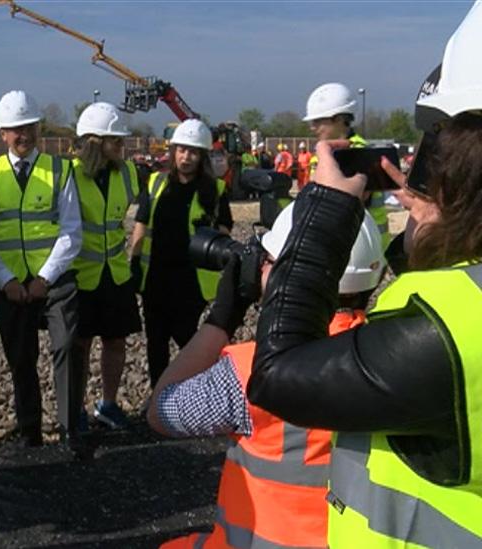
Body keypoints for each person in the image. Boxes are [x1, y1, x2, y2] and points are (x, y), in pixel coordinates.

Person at [249, 4, 482, 544]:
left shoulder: (450, 333)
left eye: (442, 141)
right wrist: (438, 240)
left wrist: (324, 209)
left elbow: (279, 374)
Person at [149, 204, 385, 549]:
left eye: (268, 260)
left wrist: (221, 321)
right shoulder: (391, 351)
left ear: (288, 273)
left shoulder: (250, 371)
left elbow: (162, 412)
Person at [0, 90, 87, 454]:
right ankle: (29, 432)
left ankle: (70, 430)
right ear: (2, 133)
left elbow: (71, 230)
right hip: (10, 285)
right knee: (20, 358)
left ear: (38, 128)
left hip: (53, 281)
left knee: (67, 345)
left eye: (29, 127)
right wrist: (6, 280)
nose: (23, 135)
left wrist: (45, 278)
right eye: (15, 129)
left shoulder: (58, 169)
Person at [129, 119, 233, 389]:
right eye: (182, 150)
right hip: (156, 277)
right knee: (156, 341)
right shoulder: (155, 183)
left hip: (191, 281)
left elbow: (225, 232)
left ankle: (201, 394)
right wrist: (134, 261)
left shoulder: (215, 190)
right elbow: (140, 225)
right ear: (173, 151)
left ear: (202, 156)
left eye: (193, 152)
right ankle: (158, 397)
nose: (186, 157)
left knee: (188, 339)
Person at [70, 103, 142, 429]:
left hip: (115, 273)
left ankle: (108, 405)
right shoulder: (69, 175)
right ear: (95, 142)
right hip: (81, 277)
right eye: (115, 141)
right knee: (80, 346)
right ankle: (76, 409)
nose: (121, 147)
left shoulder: (126, 172)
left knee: (115, 341)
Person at [302, 82, 390, 250]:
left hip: (362, 246)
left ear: (339, 119)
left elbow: (348, 203)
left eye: (318, 121)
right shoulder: (327, 152)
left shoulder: (358, 153)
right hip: (349, 243)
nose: (313, 127)